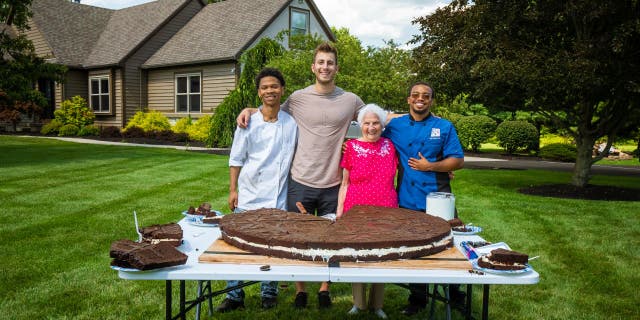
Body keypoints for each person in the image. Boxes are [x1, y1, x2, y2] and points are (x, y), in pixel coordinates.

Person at [236, 42, 365, 309]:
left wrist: (355, 143)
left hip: (333, 182)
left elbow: (374, 119)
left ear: (337, 68)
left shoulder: (351, 100)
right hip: (301, 181)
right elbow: (268, 111)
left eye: (330, 63)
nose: (325, 67)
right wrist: (248, 109)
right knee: (297, 237)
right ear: (313, 67)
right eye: (321, 62)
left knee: (329, 238)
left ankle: (324, 288)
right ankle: (300, 289)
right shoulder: (297, 98)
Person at [215, 67, 298, 312]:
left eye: (274, 86)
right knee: (238, 245)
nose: (270, 90)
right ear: (259, 92)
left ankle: (268, 292)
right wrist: (232, 190)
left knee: (270, 247)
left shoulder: (290, 123)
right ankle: (234, 294)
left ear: (282, 90)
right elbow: (236, 158)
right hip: (249, 193)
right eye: (265, 87)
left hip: (277, 197)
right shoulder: (248, 122)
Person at [381, 82, 465, 315]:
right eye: (416, 95)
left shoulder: (444, 126)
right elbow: (374, 134)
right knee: (416, 249)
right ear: (408, 99)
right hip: (408, 198)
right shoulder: (395, 126)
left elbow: (457, 160)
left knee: (448, 246)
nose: (421, 99)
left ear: (431, 101)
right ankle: (417, 299)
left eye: (426, 96)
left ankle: (455, 293)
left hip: (439, 197)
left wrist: (432, 166)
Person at [336, 104, 397, 319]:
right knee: (356, 255)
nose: (371, 127)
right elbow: (344, 183)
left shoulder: (391, 146)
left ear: (382, 125)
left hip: (386, 208)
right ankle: (359, 303)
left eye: (376, 123)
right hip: (356, 209)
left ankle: (377, 304)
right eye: (367, 123)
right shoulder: (351, 147)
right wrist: (340, 212)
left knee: (381, 255)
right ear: (360, 125)